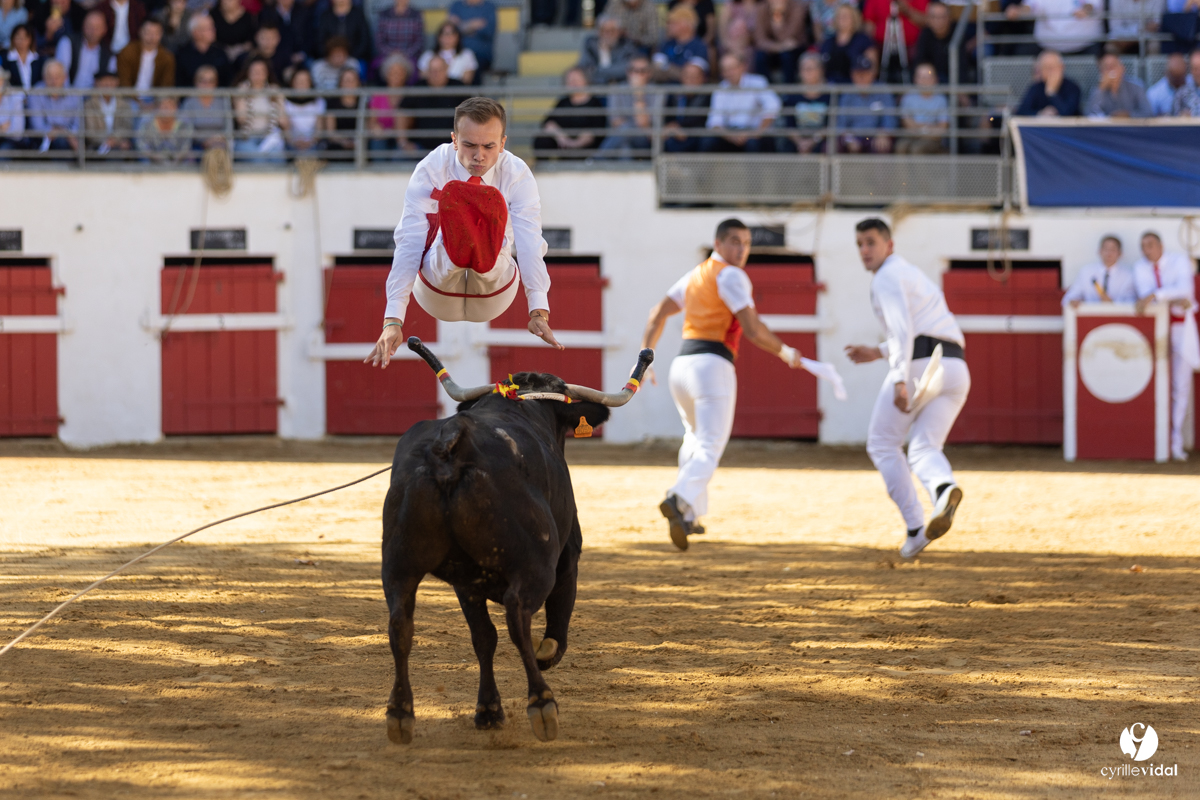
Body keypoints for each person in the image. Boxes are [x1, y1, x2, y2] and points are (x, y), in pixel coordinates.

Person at [640, 218, 832, 550]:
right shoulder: (731, 275)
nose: (741, 249)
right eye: (734, 241)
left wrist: (644, 360)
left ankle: (689, 515)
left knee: (695, 439)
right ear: (718, 243)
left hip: (681, 366)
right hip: (711, 366)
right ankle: (679, 497)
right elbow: (754, 330)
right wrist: (787, 353)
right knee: (711, 445)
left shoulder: (697, 274)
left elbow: (657, 314)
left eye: (746, 243)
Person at [367, 97, 561, 371]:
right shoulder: (431, 168)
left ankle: (481, 245)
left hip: (494, 292)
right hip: (436, 289)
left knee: (497, 252)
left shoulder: (517, 174)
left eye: (489, 146)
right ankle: (461, 237)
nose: (479, 155)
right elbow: (409, 242)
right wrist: (393, 319)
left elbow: (530, 244)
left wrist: (538, 309)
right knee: (443, 241)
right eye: (469, 145)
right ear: (454, 140)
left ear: (503, 143)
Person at [844, 217, 969, 559]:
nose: (864, 250)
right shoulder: (910, 272)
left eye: (870, 242)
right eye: (859, 244)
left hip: (919, 366)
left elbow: (902, 330)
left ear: (889, 244)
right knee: (925, 447)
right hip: (955, 366)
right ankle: (944, 490)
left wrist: (900, 378)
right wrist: (879, 352)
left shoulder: (885, 276)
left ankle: (915, 529)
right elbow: (919, 328)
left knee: (883, 443)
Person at [1133, 231, 1200, 462]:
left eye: (1150, 244)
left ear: (1160, 245)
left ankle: (1176, 442)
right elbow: (1145, 296)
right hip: (1155, 328)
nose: (1147, 250)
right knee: (1153, 383)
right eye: (1143, 246)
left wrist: (1156, 295)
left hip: (1181, 328)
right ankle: (1160, 440)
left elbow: (1185, 291)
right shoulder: (1139, 268)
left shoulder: (1179, 260)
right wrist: (1166, 297)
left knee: (1180, 386)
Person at [702, 51, 779, 153]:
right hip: (729, 134)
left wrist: (756, 133)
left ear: (743, 67)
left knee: (753, 144)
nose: (728, 73)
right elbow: (715, 122)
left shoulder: (758, 82)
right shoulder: (720, 89)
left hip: (755, 133)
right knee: (707, 142)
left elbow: (773, 106)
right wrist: (730, 136)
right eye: (725, 70)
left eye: (732, 68)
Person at [534, 66, 606, 158]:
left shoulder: (595, 103)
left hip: (583, 147)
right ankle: (542, 168)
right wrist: (561, 137)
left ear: (586, 81)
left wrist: (575, 144)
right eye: (570, 80)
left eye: (576, 79)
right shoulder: (563, 102)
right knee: (542, 139)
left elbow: (594, 132)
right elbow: (548, 123)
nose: (573, 83)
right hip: (563, 144)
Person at [598, 54, 661, 159]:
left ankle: (597, 159)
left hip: (645, 142)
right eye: (633, 70)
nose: (636, 74)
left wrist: (638, 94)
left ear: (649, 73)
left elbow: (644, 124)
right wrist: (633, 127)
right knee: (625, 147)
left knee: (626, 130)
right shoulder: (616, 89)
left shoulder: (657, 92)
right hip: (622, 137)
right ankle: (627, 172)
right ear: (627, 72)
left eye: (642, 71)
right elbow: (615, 122)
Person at [399, 53, 462, 153]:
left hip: (452, 147)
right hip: (420, 147)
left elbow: (471, 115)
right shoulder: (418, 87)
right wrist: (403, 142)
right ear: (427, 72)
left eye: (439, 70)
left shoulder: (459, 87)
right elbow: (402, 112)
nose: (436, 74)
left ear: (446, 70)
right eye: (432, 70)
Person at [838, 53, 895, 153]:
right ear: (852, 75)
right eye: (858, 73)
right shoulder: (847, 94)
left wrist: (883, 134)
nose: (862, 77)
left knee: (883, 145)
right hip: (853, 137)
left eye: (865, 73)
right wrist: (849, 139)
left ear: (872, 74)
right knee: (834, 145)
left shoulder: (883, 91)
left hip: (875, 137)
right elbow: (841, 124)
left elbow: (890, 119)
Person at [1004, 0, 1103, 56]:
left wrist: (1085, 10)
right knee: (1021, 53)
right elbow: (1031, 6)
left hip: (1085, 46)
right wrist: (1018, 11)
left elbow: (1092, 5)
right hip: (1047, 47)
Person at [1062, 235, 1137, 306]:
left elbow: (1131, 303)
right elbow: (1068, 298)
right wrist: (1073, 301)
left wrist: (1112, 304)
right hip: (1090, 317)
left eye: (1113, 249)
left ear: (1120, 253)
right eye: (1105, 249)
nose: (1109, 253)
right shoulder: (1086, 272)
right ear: (1099, 251)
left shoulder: (1128, 275)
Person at [233, 54, 284, 156]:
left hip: (269, 137)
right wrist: (242, 95)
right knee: (257, 157)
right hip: (247, 138)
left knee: (277, 158)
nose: (258, 75)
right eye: (254, 71)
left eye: (261, 71)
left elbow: (283, 122)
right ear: (248, 73)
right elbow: (241, 119)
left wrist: (278, 98)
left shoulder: (274, 91)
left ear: (267, 73)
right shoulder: (241, 90)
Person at [781, 51, 830, 153]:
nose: (807, 72)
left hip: (820, 140)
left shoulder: (829, 96)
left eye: (810, 69)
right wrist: (800, 142)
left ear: (820, 71)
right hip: (797, 141)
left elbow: (830, 125)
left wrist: (812, 142)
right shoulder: (792, 96)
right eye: (804, 69)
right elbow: (789, 125)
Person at [27, 57, 81, 150]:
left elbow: (78, 125)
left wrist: (65, 134)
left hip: (70, 140)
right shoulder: (36, 93)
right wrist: (61, 132)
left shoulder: (74, 95)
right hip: (43, 140)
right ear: (44, 78)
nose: (54, 82)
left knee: (68, 144)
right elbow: (37, 126)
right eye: (49, 77)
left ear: (65, 77)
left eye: (57, 77)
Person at [896, 62, 947, 153]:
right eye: (921, 77)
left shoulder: (941, 99)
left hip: (932, 140)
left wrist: (919, 128)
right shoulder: (908, 97)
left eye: (928, 76)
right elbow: (906, 123)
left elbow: (942, 128)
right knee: (900, 146)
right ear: (915, 79)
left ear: (935, 79)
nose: (924, 80)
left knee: (917, 149)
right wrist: (928, 129)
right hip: (912, 136)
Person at [753, 0, 808, 84]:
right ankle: (768, 89)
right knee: (760, 57)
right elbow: (760, 40)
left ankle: (789, 91)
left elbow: (788, 36)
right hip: (774, 49)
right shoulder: (761, 9)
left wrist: (777, 17)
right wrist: (779, 47)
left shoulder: (797, 8)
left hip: (794, 50)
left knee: (786, 56)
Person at [1085, 50, 1151, 118]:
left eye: (1114, 66)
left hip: (1133, 127)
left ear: (1122, 68)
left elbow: (1148, 112)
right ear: (1101, 71)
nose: (1111, 70)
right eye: (1106, 67)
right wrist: (1101, 89)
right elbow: (1089, 114)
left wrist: (1129, 115)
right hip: (1108, 128)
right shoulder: (1097, 89)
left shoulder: (1136, 86)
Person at [577, 13, 640, 85]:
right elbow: (584, 69)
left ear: (619, 32)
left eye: (612, 30)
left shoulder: (627, 44)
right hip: (595, 88)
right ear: (598, 32)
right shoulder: (590, 44)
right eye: (604, 30)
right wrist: (604, 52)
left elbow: (625, 70)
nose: (608, 34)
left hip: (620, 88)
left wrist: (596, 70)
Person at [57, 9, 113, 88]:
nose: (93, 31)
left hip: (95, 98)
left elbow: (109, 82)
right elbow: (60, 73)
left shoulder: (108, 53)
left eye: (97, 27)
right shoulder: (68, 42)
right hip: (68, 95)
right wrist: (68, 97)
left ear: (104, 30)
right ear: (83, 26)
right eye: (89, 26)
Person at [663, 58, 710, 152]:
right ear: (681, 77)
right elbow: (668, 118)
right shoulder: (675, 95)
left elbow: (701, 120)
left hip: (696, 135)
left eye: (695, 76)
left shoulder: (708, 96)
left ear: (703, 78)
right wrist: (673, 127)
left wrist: (678, 127)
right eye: (687, 76)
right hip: (676, 134)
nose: (690, 80)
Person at [179, 63, 230, 150]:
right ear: (196, 82)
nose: (207, 85)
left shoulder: (222, 103)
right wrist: (205, 141)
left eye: (211, 81)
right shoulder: (189, 103)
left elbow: (228, 127)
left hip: (219, 144)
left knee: (218, 150)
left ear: (216, 83)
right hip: (196, 145)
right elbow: (186, 129)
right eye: (203, 81)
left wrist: (216, 139)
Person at [1015, 49, 1080, 116]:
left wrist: (1051, 93)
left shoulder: (1072, 88)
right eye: (1046, 68)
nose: (1050, 72)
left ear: (1062, 67)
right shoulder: (1036, 87)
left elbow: (1068, 113)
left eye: (1052, 67)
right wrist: (1040, 114)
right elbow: (1021, 112)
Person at [820, 4, 874, 83]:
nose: (843, 19)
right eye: (840, 16)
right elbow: (821, 68)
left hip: (855, 88)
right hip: (830, 87)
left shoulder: (864, 41)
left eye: (846, 16)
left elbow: (873, 67)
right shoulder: (827, 42)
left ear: (854, 19)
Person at [84, 67, 135, 152]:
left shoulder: (124, 104)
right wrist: (107, 141)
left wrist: (114, 140)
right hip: (97, 146)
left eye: (111, 81)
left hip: (118, 144)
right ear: (97, 83)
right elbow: (90, 132)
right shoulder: (89, 105)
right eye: (104, 81)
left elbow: (126, 127)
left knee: (125, 147)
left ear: (117, 83)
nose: (108, 84)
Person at [366, 53, 409, 152]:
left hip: (403, 136)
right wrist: (376, 128)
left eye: (399, 72)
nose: (396, 76)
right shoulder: (378, 95)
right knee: (377, 141)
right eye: (392, 72)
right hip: (382, 136)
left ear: (405, 75)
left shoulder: (409, 95)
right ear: (386, 74)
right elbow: (372, 121)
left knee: (402, 146)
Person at [653, 5, 706, 83]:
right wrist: (681, 72)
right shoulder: (666, 44)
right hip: (666, 92)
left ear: (685, 24)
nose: (668, 26)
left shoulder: (699, 46)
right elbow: (656, 70)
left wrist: (667, 68)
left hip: (689, 94)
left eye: (673, 23)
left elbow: (692, 76)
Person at [116, 18, 173, 89]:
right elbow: (124, 82)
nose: (152, 38)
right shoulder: (128, 52)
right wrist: (136, 99)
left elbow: (166, 84)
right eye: (148, 33)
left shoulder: (167, 57)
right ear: (140, 32)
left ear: (161, 34)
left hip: (157, 98)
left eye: (156, 33)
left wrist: (159, 100)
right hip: (129, 97)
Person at [174, 14, 229, 87]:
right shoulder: (181, 55)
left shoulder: (220, 54)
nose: (213, 31)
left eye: (213, 27)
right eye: (209, 28)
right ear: (196, 32)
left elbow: (227, 81)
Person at [136, 94, 194, 162]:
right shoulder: (146, 121)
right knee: (144, 159)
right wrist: (154, 156)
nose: (166, 108)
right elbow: (142, 144)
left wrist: (176, 158)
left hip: (178, 160)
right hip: (151, 159)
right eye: (163, 105)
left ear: (176, 107)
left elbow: (186, 145)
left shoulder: (184, 122)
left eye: (170, 105)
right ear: (157, 107)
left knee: (190, 157)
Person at [373, 0, 423, 76]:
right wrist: (390, 53)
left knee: (414, 71)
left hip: (409, 56)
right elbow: (379, 41)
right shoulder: (385, 14)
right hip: (387, 55)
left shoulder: (416, 15)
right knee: (376, 68)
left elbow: (419, 41)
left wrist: (405, 53)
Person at [260, 0, 312, 71]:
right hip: (276, 54)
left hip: (300, 54)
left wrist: (302, 53)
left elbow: (309, 36)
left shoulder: (303, 11)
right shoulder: (267, 12)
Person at [283, 65, 324, 151]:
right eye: (298, 81)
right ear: (292, 83)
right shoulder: (286, 102)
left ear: (310, 83)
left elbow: (319, 130)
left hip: (313, 144)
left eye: (305, 81)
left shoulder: (318, 102)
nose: (302, 85)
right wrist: (294, 143)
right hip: (292, 145)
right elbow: (286, 130)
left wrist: (310, 142)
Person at [447, 0, 495, 73]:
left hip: (481, 55)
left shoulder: (489, 7)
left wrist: (461, 25)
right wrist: (472, 25)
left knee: (473, 67)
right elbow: (451, 30)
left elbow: (489, 32)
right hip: (457, 53)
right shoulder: (456, 6)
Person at [323, 64, 360, 153]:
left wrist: (355, 142)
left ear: (358, 83)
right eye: (346, 81)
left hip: (358, 143)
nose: (349, 84)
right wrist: (344, 142)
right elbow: (330, 132)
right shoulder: (332, 103)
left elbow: (366, 129)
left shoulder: (363, 103)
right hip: (337, 144)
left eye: (352, 81)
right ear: (340, 83)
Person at [1147, 52, 1192, 116]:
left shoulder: (1194, 85)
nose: (1178, 81)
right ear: (1166, 74)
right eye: (1175, 78)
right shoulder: (1154, 93)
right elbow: (1149, 118)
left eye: (1180, 77)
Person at [2, 22, 42, 88]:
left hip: (35, 96)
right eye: (18, 37)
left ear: (30, 39)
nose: (21, 40)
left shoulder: (38, 59)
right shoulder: (5, 58)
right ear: (13, 38)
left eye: (25, 37)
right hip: (12, 97)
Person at [0, 65, 26, 150]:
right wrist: (2, 127)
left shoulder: (15, 97)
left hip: (10, 142)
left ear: (4, 80)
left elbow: (17, 133)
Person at [1171, 49, 1200, 116]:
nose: (1198, 72)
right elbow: (1173, 119)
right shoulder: (1181, 94)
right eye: (1195, 69)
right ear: (1190, 70)